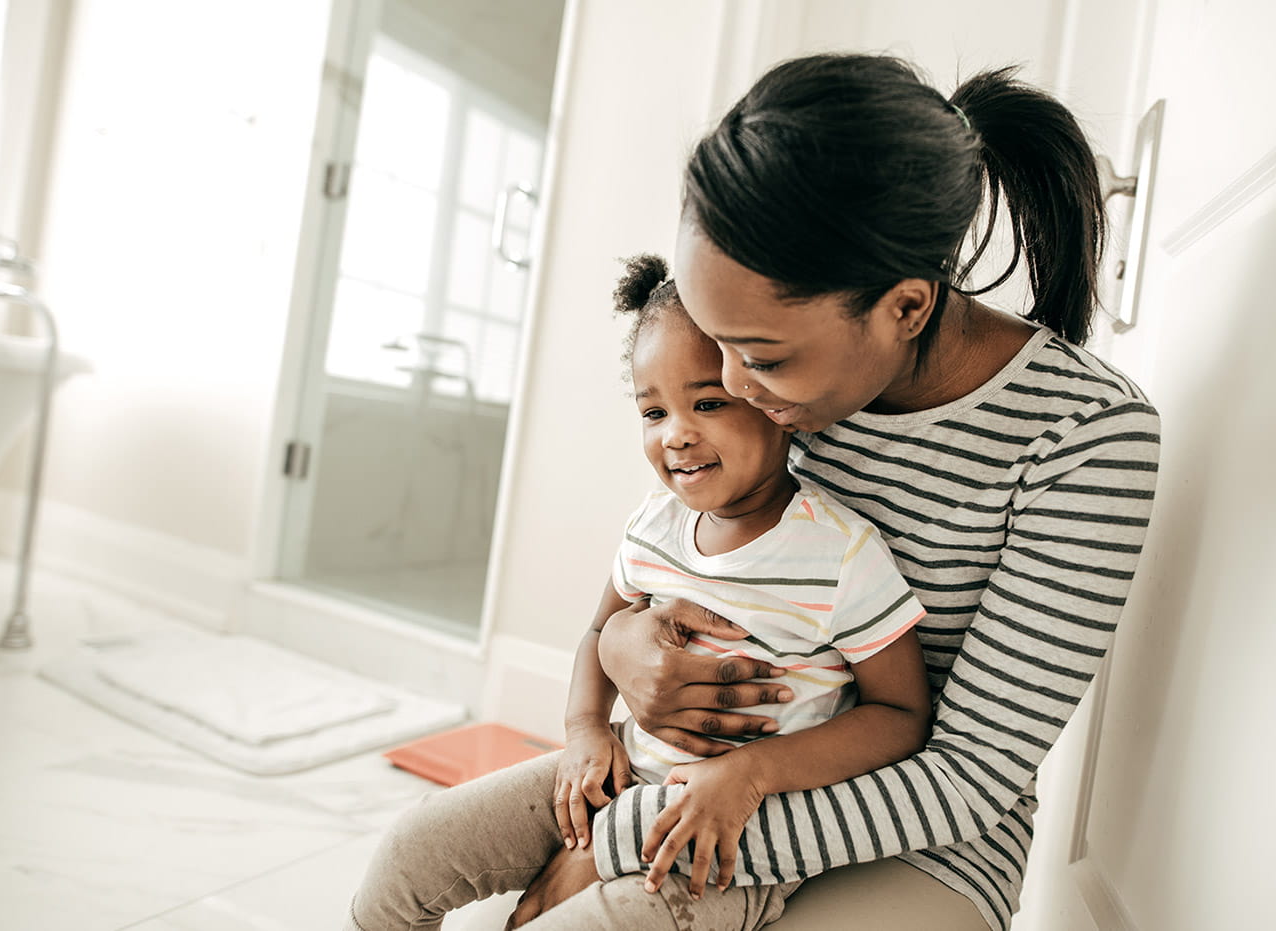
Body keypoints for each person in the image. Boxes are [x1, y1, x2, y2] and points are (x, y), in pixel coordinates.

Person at [510, 54, 1160, 931]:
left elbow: (969, 775)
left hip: (920, 836)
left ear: (906, 306)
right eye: (719, 343)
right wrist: (625, 644)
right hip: (688, 769)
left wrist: (614, 839)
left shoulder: (1088, 438)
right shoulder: (785, 384)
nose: (732, 388)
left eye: (763, 358)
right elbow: (671, 562)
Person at [345, 254, 934, 931]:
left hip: (724, 848)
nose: (676, 433)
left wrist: (755, 772)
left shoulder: (841, 552)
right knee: (408, 850)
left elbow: (900, 712)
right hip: (616, 775)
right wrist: (586, 728)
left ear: (776, 402)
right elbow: (600, 633)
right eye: (653, 410)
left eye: (707, 402)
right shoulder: (654, 523)